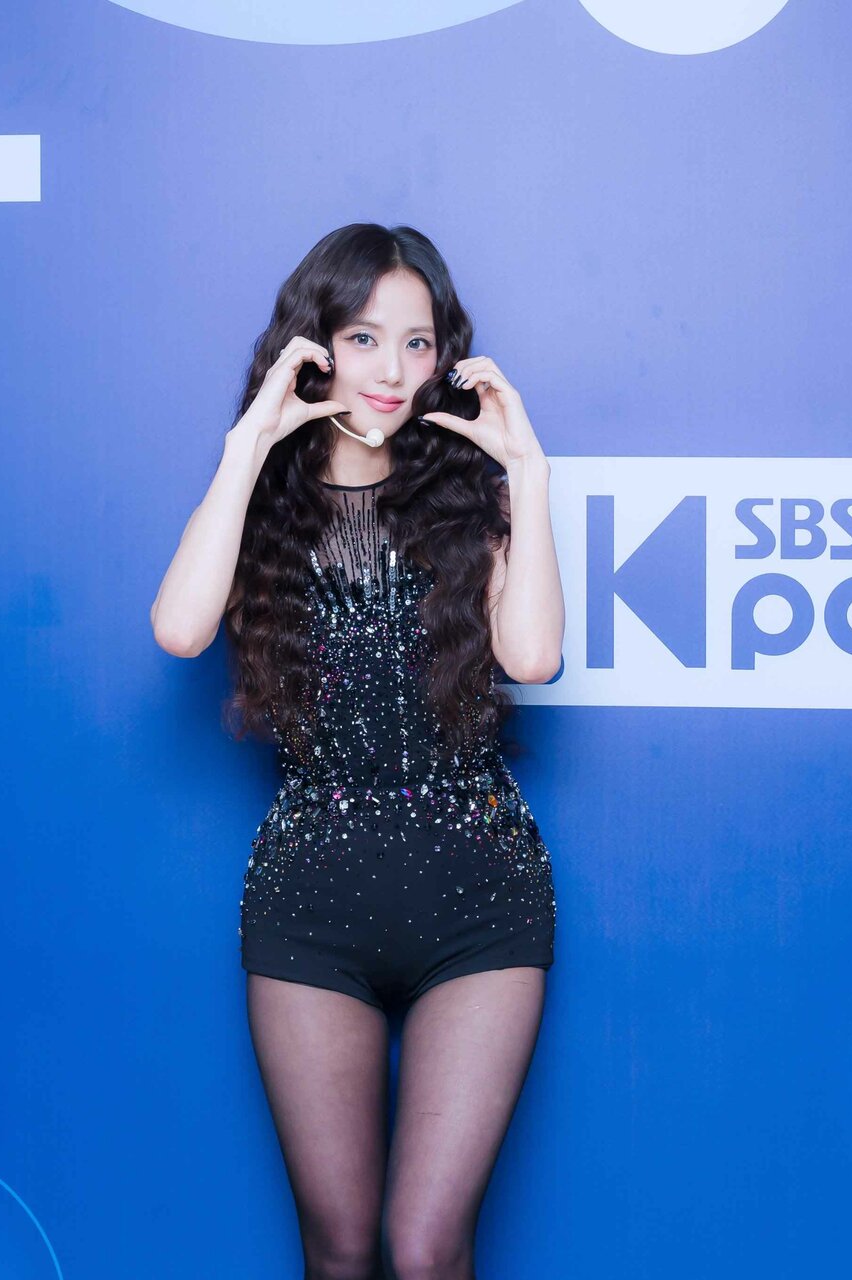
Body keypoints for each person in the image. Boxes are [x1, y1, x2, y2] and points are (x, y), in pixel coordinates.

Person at [150, 223, 564, 1280]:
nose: (391, 369)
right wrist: (249, 444)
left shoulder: (469, 497)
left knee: (425, 1250)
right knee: (338, 1249)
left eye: (417, 343)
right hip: (312, 905)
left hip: (479, 898)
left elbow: (533, 655)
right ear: (316, 346)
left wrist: (529, 471)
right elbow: (180, 629)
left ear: (444, 358)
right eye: (364, 338)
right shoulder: (265, 504)